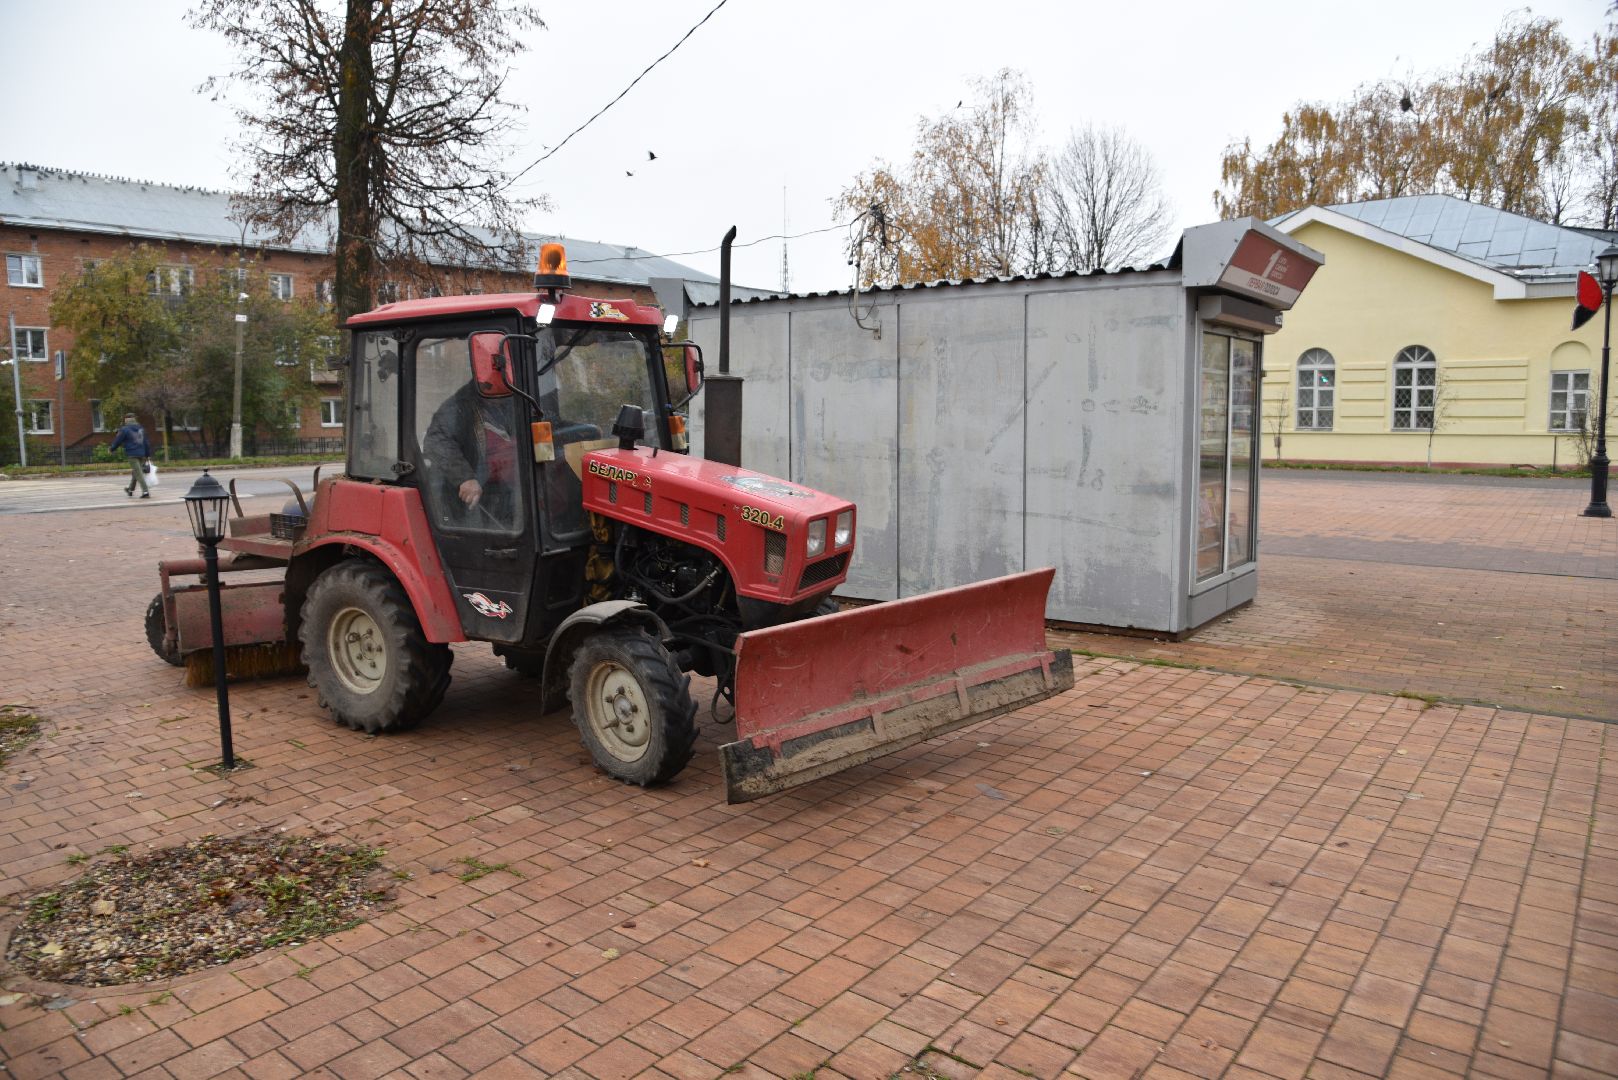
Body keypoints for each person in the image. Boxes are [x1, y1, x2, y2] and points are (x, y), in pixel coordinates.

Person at [421, 380, 519, 528]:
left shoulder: (512, 400)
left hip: (503, 492)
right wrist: (464, 478)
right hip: (469, 503)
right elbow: (436, 441)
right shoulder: (461, 405)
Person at [109, 413, 151, 499]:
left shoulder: (125, 429)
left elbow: (118, 440)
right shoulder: (141, 428)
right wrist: (148, 454)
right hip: (142, 454)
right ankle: (130, 489)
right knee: (136, 472)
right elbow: (146, 442)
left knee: (138, 473)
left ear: (126, 419)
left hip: (132, 454)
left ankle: (145, 491)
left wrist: (112, 448)